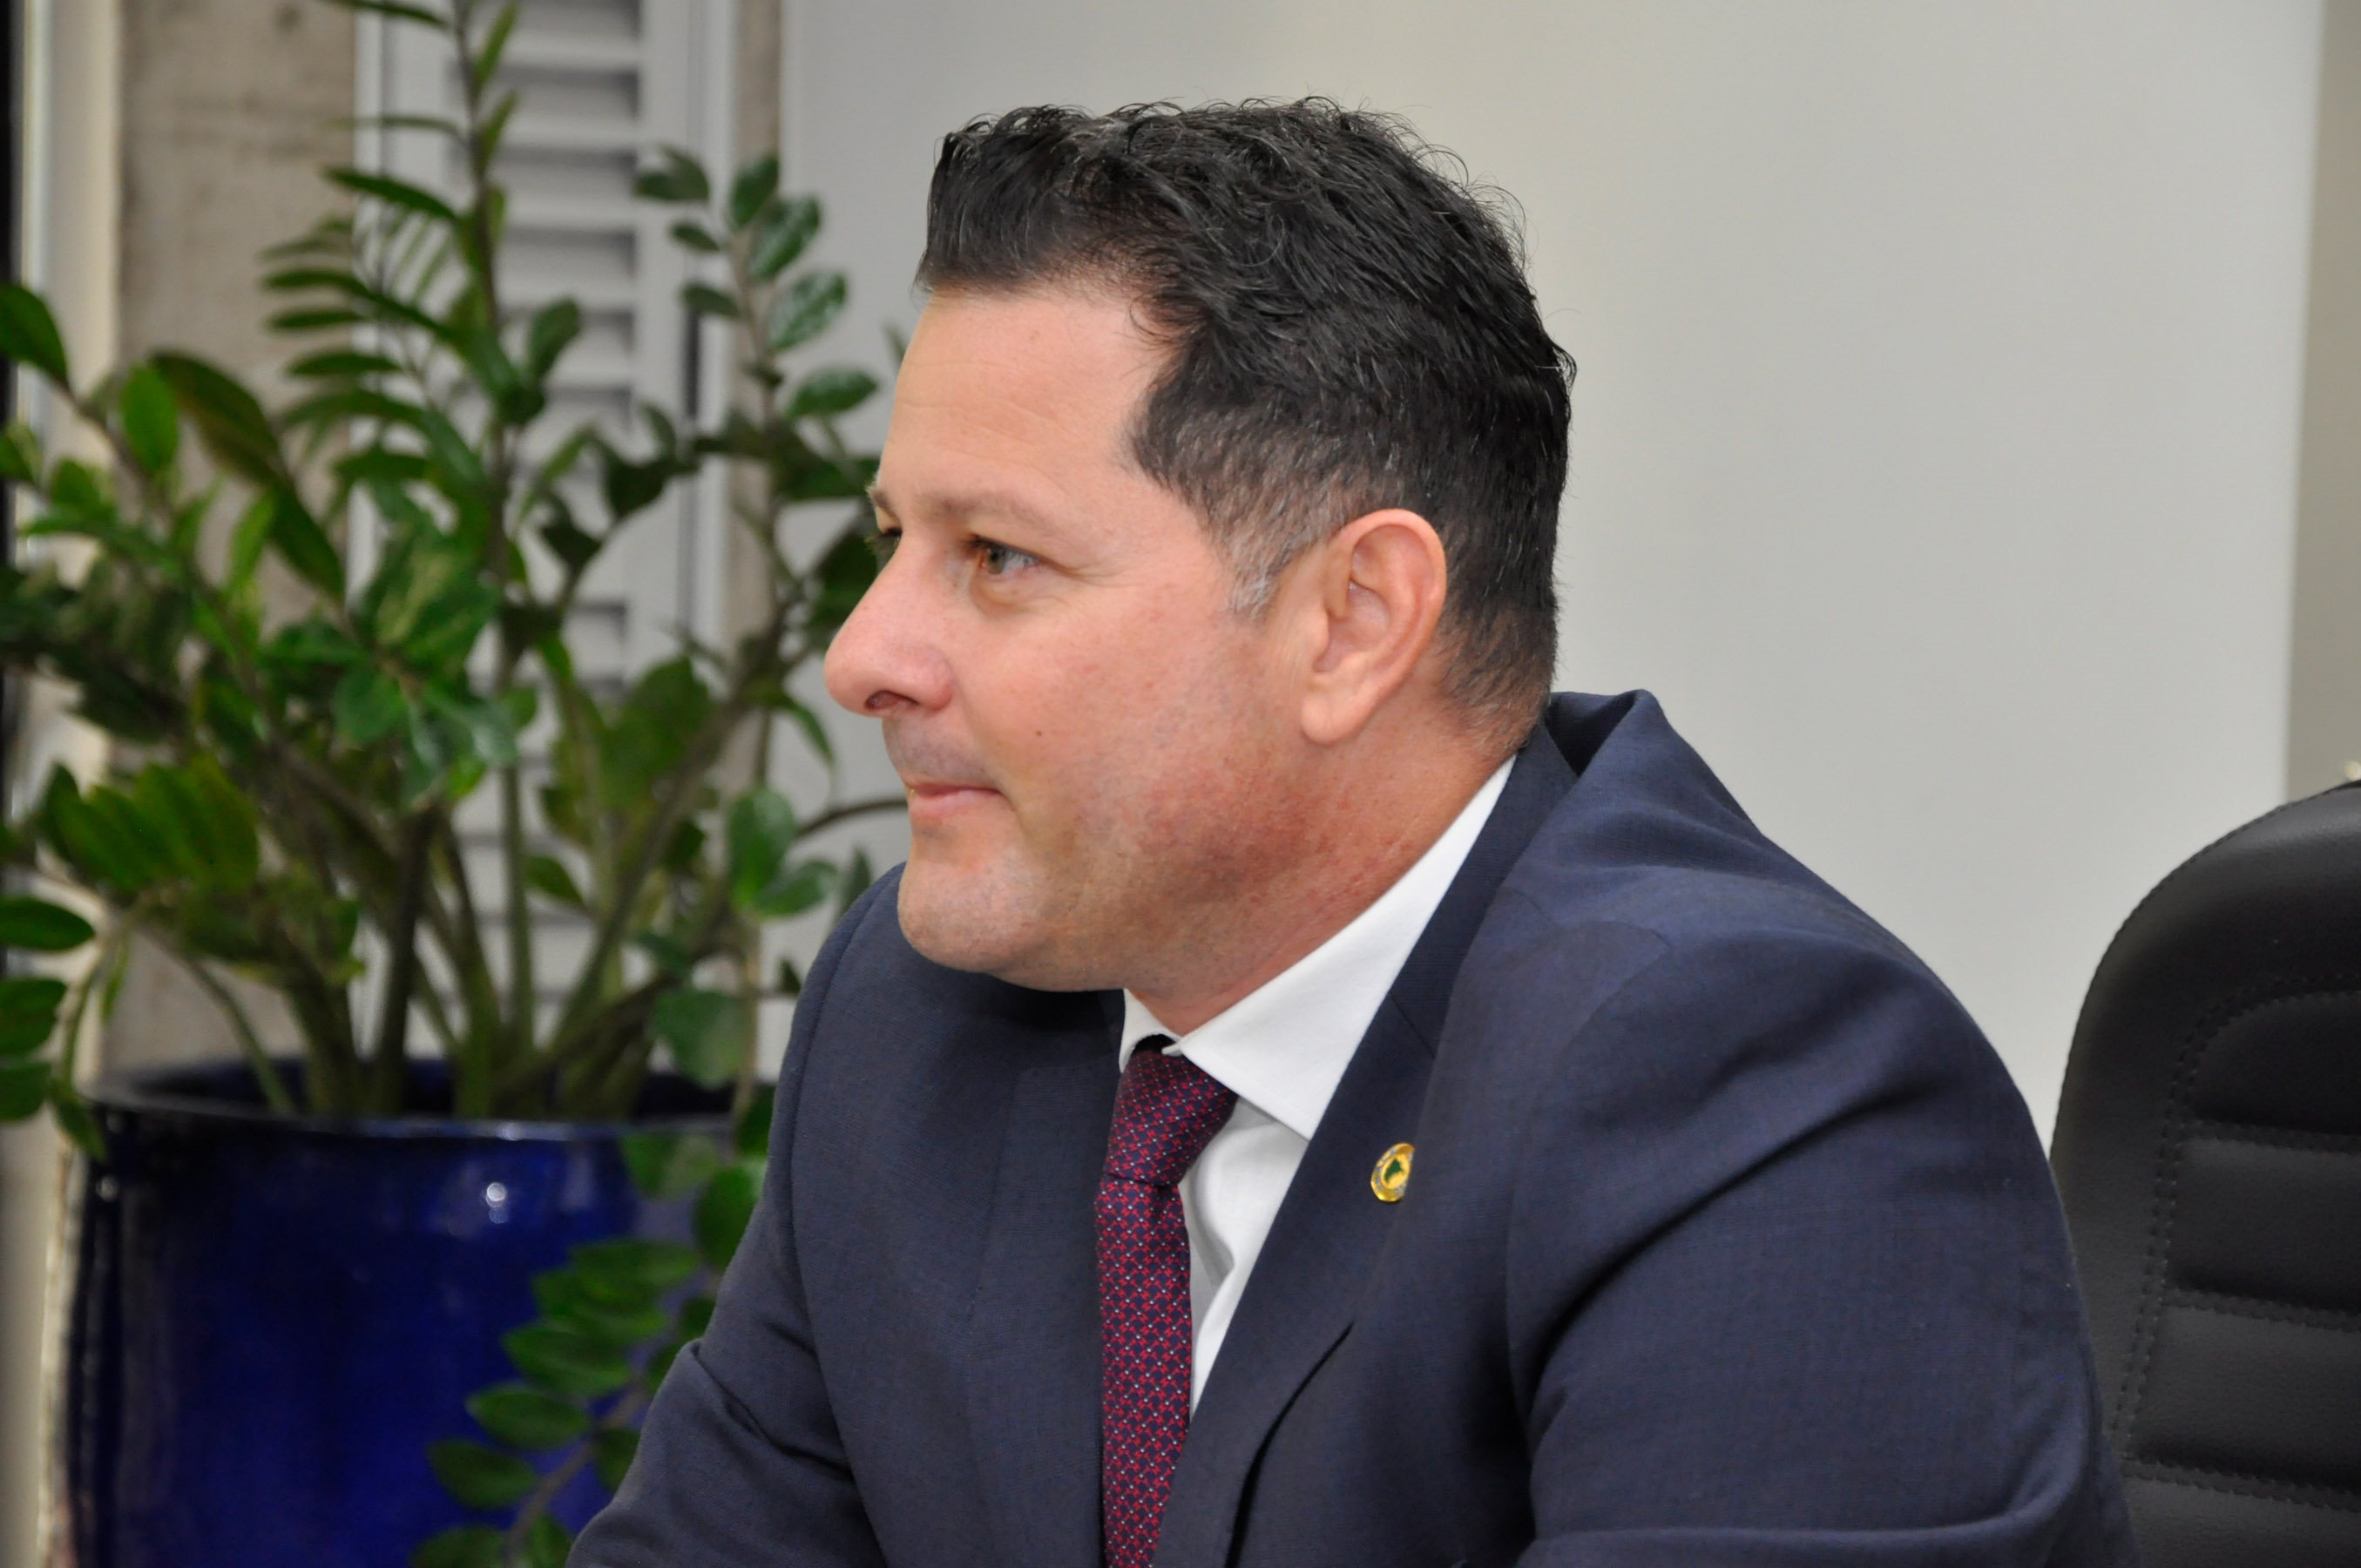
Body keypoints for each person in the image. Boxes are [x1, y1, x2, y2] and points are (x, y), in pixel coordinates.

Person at [575, 100, 2136, 1567]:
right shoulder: (918, 1015)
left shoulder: (1756, 1089)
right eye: (891, 540)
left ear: (1352, 622)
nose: (862, 655)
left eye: (995, 556)